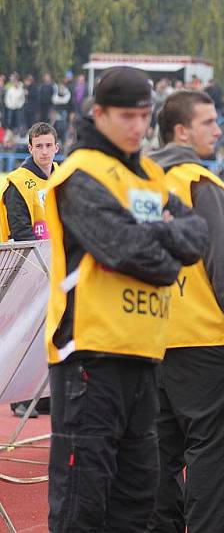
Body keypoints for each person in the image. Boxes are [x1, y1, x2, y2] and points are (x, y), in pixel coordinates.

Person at [44, 67, 207, 533]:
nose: (138, 126)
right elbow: (123, 248)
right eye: (126, 116)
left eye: (143, 115)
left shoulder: (154, 174)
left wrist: (154, 240)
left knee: (138, 501)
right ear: (99, 114)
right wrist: (164, 244)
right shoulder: (80, 174)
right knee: (83, 501)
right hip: (90, 357)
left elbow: (196, 238)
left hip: (144, 353)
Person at [146, 90, 224, 532]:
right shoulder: (201, 185)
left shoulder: (133, 186)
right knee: (213, 472)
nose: (219, 130)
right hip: (207, 344)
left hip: (148, 342)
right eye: (209, 122)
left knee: (156, 468)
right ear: (181, 131)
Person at [1, 122, 59, 418]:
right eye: (39, 146)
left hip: (57, 268)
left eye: (49, 145)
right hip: (28, 267)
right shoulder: (18, 182)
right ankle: (18, 398)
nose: (45, 151)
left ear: (57, 147)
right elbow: (19, 230)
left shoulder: (62, 178)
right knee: (25, 334)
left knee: (51, 333)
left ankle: (44, 394)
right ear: (30, 148)